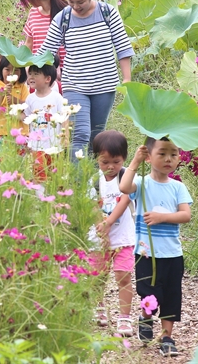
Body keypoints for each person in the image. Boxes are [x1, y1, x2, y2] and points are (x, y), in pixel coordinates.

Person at [39, 0, 134, 160]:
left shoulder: (108, 13)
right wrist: (27, 70)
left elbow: (123, 48)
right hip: (75, 85)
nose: (75, 6)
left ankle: (91, 180)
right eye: (71, 2)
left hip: (104, 85)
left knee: (96, 136)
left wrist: (127, 79)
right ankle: (76, 182)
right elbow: (46, 52)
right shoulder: (63, 18)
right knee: (79, 134)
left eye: (80, 2)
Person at [119, 137, 193, 357]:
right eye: (162, 154)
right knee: (148, 291)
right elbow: (124, 187)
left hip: (172, 253)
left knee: (171, 294)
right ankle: (145, 315)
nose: (168, 159)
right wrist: (134, 162)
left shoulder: (178, 187)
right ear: (149, 157)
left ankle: (167, 337)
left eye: (173, 154)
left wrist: (162, 217)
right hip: (145, 252)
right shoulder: (141, 183)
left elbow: (185, 215)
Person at [87, 130, 135, 337]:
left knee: (123, 276)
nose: (110, 167)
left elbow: (125, 200)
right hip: (99, 238)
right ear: (96, 158)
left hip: (123, 237)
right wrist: (102, 228)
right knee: (98, 276)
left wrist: (109, 222)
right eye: (104, 161)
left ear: (124, 158)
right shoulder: (94, 180)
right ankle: (99, 307)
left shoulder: (126, 177)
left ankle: (124, 318)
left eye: (116, 161)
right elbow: (91, 205)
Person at [22, 55, 67, 181]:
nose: (31, 77)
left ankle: (53, 196)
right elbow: (26, 117)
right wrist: (13, 111)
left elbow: (64, 117)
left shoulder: (56, 97)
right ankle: (40, 197)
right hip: (37, 145)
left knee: (55, 173)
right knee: (39, 173)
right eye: (30, 73)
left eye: (36, 74)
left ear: (47, 79)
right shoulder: (30, 98)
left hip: (54, 145)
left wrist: (65, 137)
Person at [17, 0, 67, 70]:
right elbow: (29, 43)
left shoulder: (65, 11)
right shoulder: (33, 13)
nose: (27, 0)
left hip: (65, 71)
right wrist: (22, 66)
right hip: (40, 72)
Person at [0, 57, 29, 139]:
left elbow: (27, 106)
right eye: (7, 69)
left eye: (16, 70)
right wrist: (2, 94)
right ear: (1, 70)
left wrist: (15, 100)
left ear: (21, 73)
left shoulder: (23, 88)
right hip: (1, 132)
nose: (11, 73)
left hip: (20, 133)